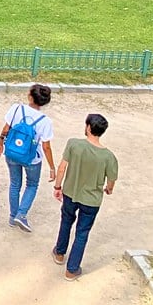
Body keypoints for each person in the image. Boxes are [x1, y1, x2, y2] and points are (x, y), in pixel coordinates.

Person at [52, 114, 119, 280]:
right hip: (91, 200)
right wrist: (108, 189)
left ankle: (60, 253)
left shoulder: (74, 144)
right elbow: (111, 180)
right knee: (82, 233)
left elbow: (62, 168)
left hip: (70, 193)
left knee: (66, 221)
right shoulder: (109, 156)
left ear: (88, 127)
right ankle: (72, 269)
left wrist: (58, 186)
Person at [0, 84, 55, 232]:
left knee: (15, 184)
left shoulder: (16, 108)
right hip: (31, 158)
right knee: (32, 185)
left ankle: (12, 216)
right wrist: (52, 167)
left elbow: (6, 128)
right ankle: (21, 214)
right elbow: (46, 147)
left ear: (30, 97)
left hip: (12, 152)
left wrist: (0, 143)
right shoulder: (45, 121)